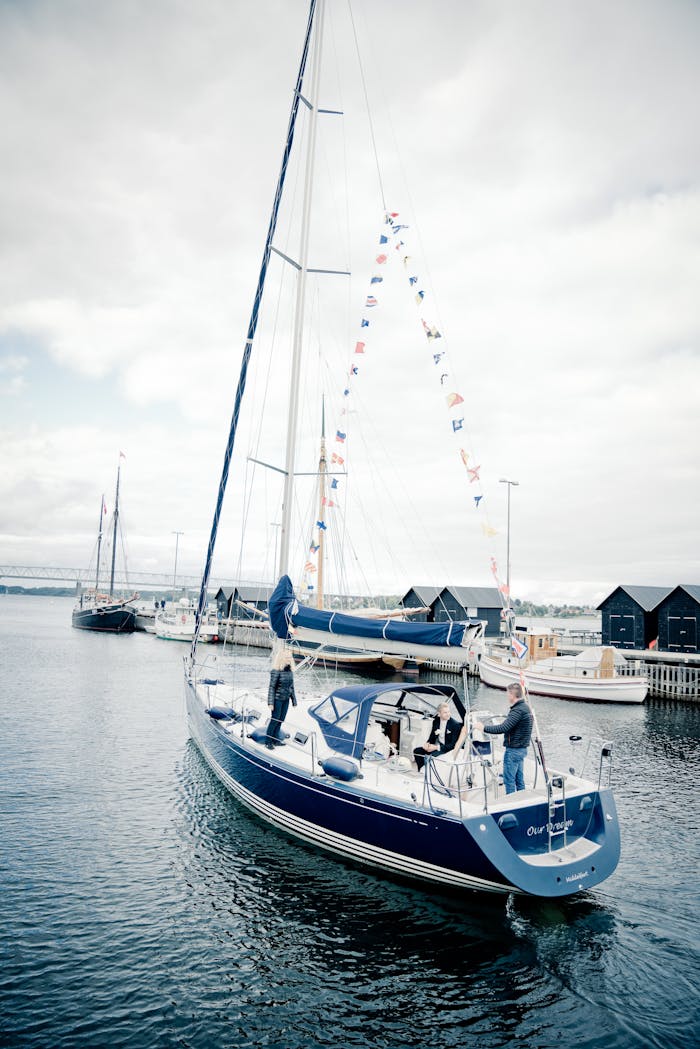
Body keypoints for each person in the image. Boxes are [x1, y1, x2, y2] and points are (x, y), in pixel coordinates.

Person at [474, 683, 533, 794]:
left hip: (513, 750)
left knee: (509, 780)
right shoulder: (525, 707)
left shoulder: (517, 710)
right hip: (522, 750)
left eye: (507, 693)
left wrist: (483, 728)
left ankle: (511, 803)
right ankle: (522, 799)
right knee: (519, 779)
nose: (506, 696)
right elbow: (513, 725)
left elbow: (503, 728)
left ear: (512, 694)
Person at [413, 702, 462, 771]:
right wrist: (427, 744)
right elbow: (432, 736)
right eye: (445, 712)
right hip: (437, 746)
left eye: (449, 712)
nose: (448, 714)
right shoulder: (436, 721)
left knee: (432, 757)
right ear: (439, 714)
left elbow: (453, 745)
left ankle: (429, 773)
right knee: (417, 751)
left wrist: (436, 747)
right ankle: (421, 770)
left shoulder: (455, 725)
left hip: (448, 750)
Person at [265, 648, 297, 748]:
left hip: (286, 699)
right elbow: (272, 687)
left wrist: (294, 700)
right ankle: (268, 741)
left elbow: (291, 687)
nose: (289, 659)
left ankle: (275, 740)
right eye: (286, 657)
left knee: (281, 720)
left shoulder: (290, 671)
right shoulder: (276, 671)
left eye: (289, 657)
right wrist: (270, 703)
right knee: (275, 720)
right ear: (281, 658)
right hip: (277, 699)